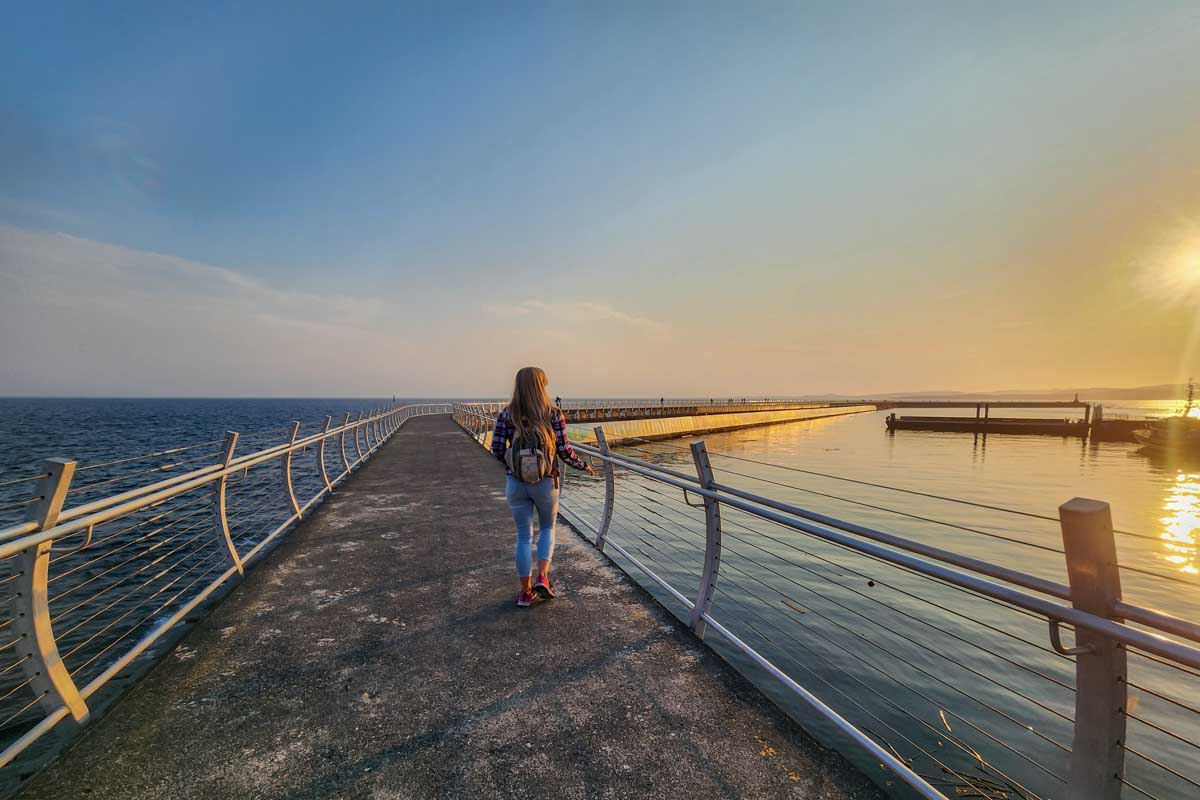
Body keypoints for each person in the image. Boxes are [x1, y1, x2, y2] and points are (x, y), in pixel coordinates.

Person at [491, 367, 593, 607]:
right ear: (541, 387)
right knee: (547, 528)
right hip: (546, 481)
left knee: (523, 537)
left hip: (516, 483)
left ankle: (525, 593)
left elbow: (496, 448)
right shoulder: (553, 414)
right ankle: (543, 579)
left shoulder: (508, 414)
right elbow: (564, 452)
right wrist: (583, 465)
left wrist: (515, 465)